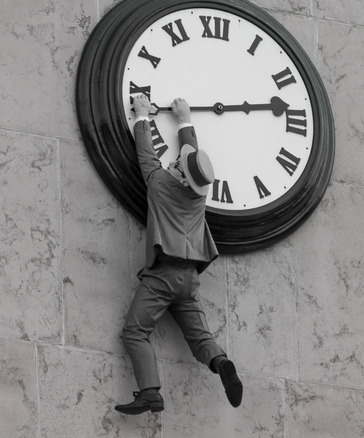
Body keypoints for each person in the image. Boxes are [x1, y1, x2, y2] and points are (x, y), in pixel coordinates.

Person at [114, 94, 243, 415]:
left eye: (176, 165)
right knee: (200, 338)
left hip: (162, 275)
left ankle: (150, 393)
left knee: (135, 332)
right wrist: (184, 120)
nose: (172, 163)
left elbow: (146, 154)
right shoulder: (198, 197)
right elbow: (195, 162)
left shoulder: (159, 184)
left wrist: (142, 113)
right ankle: (221, 361)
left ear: (180, 175)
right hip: (189, 280)